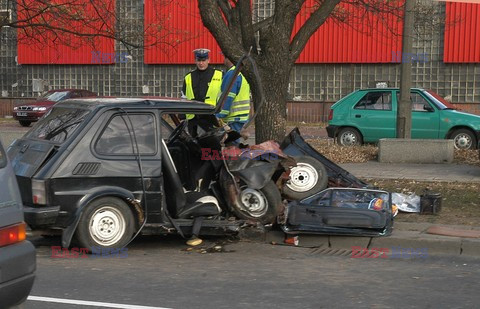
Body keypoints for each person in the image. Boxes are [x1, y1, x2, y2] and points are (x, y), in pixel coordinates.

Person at [181, 48, 223, 137]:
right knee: (194, 146)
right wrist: (182, 116)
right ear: (195, 61)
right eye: (198, 60)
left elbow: (224, 95)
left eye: (203, 60)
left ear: (208, 60)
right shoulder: (188, 77)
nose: (201, 63)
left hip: (211, 116)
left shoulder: (219, 75)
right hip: (193, 118)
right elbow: (183, 97)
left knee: (210, 145)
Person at [216, 57, 251, 136]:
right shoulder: (242, 72)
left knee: (231, 146)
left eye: (225, 57)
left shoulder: (232, 73)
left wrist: (218, 115)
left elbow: (228, 97)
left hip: (232, 120)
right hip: (241, 118)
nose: (223, 60)